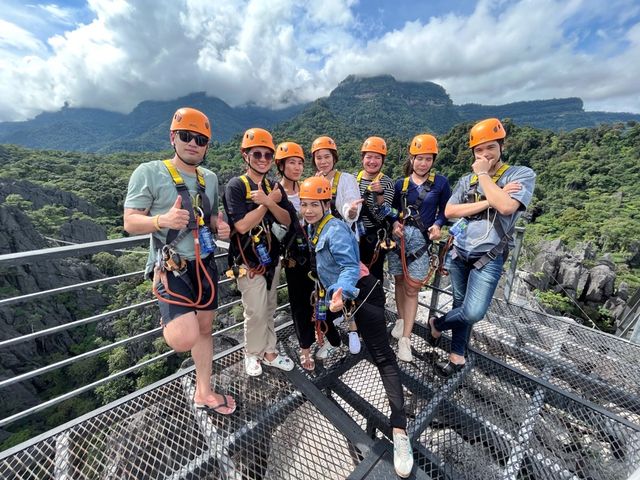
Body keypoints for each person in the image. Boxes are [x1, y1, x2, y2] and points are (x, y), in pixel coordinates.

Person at [299, 176, 414, 478]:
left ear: (326, 204)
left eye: (315, 204)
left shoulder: (333, 229)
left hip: (361, 293)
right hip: (340, 297)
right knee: (330, 327)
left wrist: (341, 290)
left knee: (383, 358)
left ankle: (400, 431)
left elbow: (350, 267)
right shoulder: (315, 226)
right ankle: (346, 335)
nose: (309, 210)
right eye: (306, 204)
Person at [124, 107, 236, 415]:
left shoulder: (209, 178)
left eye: (200, 140)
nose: (193, 144)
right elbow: (131, 222)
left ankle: (204, 391)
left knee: (204, 328)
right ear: (173, 138)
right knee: (184, 336)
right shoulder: (149, 172)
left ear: (207, 146)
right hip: (172, 265)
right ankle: (171, 317)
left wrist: (218, 224)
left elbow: (208, 216)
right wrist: (163, 219)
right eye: (186, 137)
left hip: (205, 263)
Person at [430, 118, 535, 377]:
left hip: (489, 256)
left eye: (490, 147)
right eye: (479, 150)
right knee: (459, 303)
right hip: (459, 252)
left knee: (472, 312)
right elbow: (451, 210)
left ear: (501, 145)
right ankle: (457, 356)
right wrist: (490, 199)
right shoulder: (467, 180)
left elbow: (507, 207)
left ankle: (437, 323)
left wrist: (484, 175)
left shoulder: (520, 174)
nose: (485, 154)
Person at [223, 128, 295, 377]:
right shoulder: (236, 186)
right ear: (246, 156)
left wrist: (270, 200)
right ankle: (252, 353)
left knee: (270, 308)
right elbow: (242, 225)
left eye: (267, 155)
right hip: (248, 261)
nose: (263, 160)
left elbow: (287, 219)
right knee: (255, 310)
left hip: (271, 258)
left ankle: (270, 351)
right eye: (257, 155)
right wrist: (266, 202)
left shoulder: (273, 186)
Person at [275, 141, 342, 369]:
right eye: (291, 162)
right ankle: (305, 350)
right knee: (300, 305)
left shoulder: (306, 186)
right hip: (295, 258)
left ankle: (329, 337)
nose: (296, 167)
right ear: (281, 165)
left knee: (322, 299)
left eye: (300, 163)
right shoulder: (276, 192)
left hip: (316, 255)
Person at [388, 134, 451, 362]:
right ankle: (401, 319)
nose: (423, 163)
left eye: (427, 159)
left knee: (412, 289)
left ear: (433, 160)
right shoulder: (400, 184)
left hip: (421, 243)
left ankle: (405, 339)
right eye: (419, 159)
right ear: (411, 159)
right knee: (398, 281)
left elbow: (446, 210)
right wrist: (395, 222)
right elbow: (393, 211)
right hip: (399, 241)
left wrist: (438, 225)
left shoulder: (440, 184)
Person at [311, 135, 363, 354]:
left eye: (327, 157)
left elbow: (349, 208)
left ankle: (352, 330)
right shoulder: (315, 180)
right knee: (323, 289)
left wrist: (351, 210)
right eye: (319, 157)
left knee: (344, 287)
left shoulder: (346, 179)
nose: (323, 161)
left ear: (334, 158)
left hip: (341, 243)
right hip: (322, 245)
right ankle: (328, 334)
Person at [355, 136, 395, 282]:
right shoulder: (354, 179)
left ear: (382, 160)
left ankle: (374, 304)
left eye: (377, 157)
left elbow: (384, 214)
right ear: (362, 158)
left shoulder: (387, 183)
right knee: (353, 276)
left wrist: (379, 195)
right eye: (369, 157)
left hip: (374, 238)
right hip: (353, 236)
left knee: (373, 278)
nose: (372, 161)